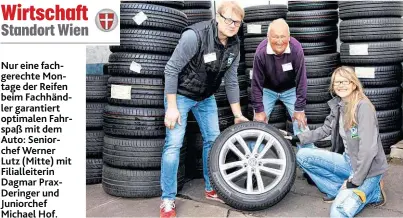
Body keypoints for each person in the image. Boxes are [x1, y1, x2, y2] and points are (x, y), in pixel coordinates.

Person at [160, 1, 248, 217]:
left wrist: (237, 114)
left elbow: (231, 81)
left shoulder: (235, 45)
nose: (232, 25)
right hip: (180, 95)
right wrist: (172, 108)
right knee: (174, 145)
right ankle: (167, 199)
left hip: (205, 97)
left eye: (237, 22)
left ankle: (211, 188)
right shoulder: (195, 36)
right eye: (228, 20)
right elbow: (170, 70)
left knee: (214, 140)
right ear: (217, 17)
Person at [282, 66, 388, 217]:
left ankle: (374, 193)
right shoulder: (338, 105)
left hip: (368, 171)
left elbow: (368, 149)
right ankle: (340, 190)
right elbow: (325, 130)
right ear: (332, 86)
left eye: (345, 81)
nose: (341, 85)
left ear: (353, 84)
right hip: (347, 161)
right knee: (302, 156)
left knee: (338, 213)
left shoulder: (363, 107)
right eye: (337, 82)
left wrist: (355, 181)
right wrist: (297, 138)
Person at [250, 18, 314, 148]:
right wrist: (259, 110)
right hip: (267, 90)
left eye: (283, 37)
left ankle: (309, 157)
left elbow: (301, 79)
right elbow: (256, 84)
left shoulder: (296, 49)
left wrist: (299, 108)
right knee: (257, 125)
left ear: (289, 37)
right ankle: (256, 160)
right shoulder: (261, 52)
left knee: (300, 122)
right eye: (275, 37)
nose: (279, 41)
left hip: (290, 89)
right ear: (268, 37)